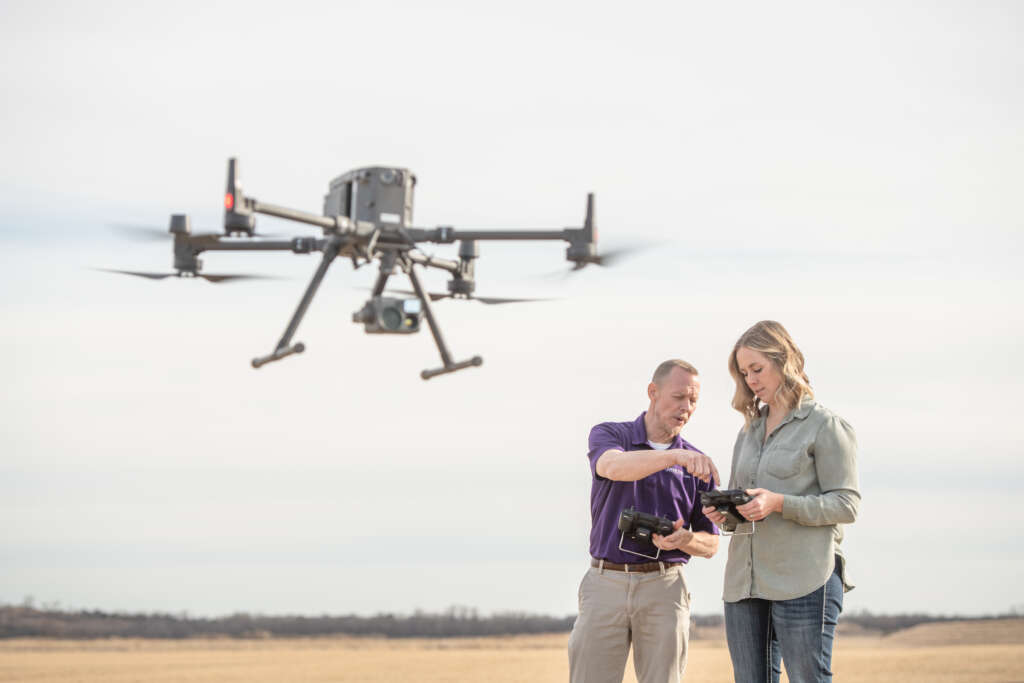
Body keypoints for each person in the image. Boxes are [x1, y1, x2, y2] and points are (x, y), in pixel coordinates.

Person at [703, 321, 860, 683]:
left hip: (804, 580)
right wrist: (724, 513)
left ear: (784, 361)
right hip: (744, 583)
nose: (751, 380)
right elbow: (741, 501)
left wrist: (778, 503)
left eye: (757, 369)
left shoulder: (826, 425)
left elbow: (846, 505)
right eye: (744, 374)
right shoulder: (749, 431)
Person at [568, 359, 722, 683]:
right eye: (679, 397)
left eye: (693, 400)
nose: (687, 407)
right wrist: (673, 457)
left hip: (665, 587)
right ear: (653, 392)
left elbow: (711, 543)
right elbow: (611, 467)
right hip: (605, 580)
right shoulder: (612, 434)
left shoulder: (698, 465)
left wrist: (685, 541)